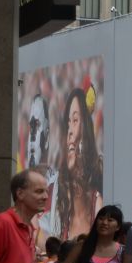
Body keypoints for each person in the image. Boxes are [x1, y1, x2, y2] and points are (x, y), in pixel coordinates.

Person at [47, 88, 103, 241]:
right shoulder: (54, 189)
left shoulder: (97, 200)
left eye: (76, 120)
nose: (70, 130)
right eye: (68, 122)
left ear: (86, 130)